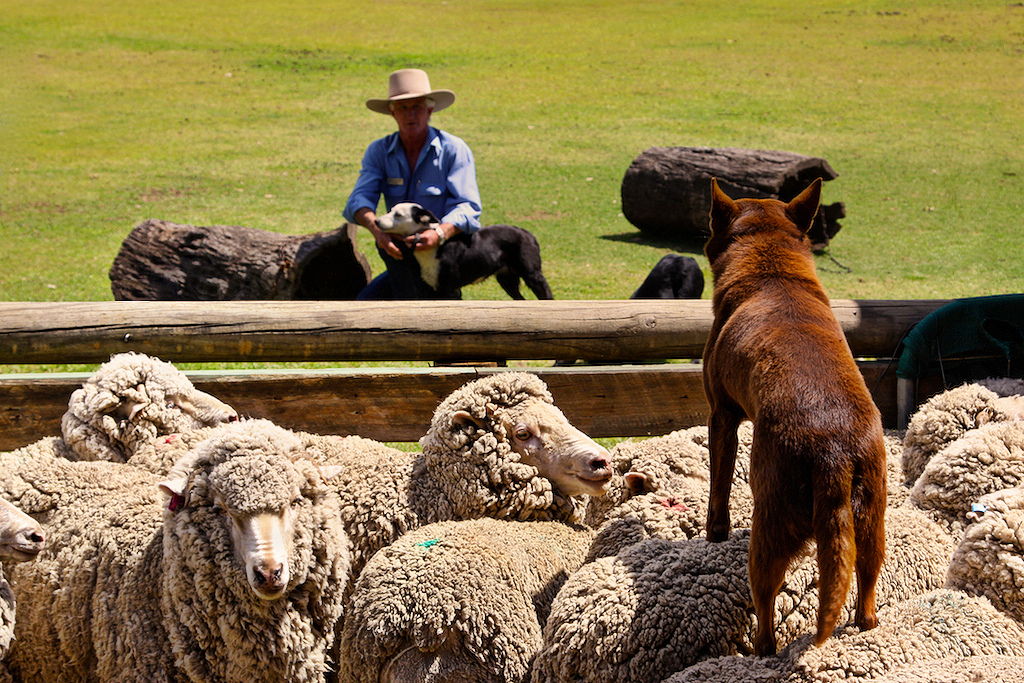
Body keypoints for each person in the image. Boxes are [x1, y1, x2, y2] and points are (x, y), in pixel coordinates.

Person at [344, 69, 482, 299]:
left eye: (417, 107)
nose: (411, 115)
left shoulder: (454, 150)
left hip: (441, 257)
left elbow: (469, 207)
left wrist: (438, 233)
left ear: (429, 111)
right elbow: (358, 201)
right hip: (399, 255)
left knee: (431, 317)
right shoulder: (379, 151)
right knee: (364, 306)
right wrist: (377, 231)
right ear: (392, 113)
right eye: (403, 108)